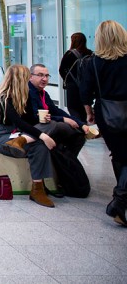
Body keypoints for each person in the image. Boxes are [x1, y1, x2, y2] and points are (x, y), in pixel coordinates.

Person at [79, 20, 127, 226]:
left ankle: (121, 201)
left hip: (106, 113)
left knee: (119, 154)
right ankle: (120, 199)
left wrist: (89, 112)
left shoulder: (92, 62)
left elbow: (85, 91)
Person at [0, 65, 56, 208]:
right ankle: (39, 187)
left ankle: (37, 188)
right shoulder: (4, 97)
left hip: (20, 134)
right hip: (1, 136)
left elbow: (29, 121)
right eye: (27, 77)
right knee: (41, 142)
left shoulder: (25, 96)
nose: (29, 79)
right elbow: (19, 122)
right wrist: (43, 136)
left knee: (47, 131)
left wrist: (42, 119)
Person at [28, 63, 89, 158]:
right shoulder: (28, 92)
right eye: (40, 75)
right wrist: (63, 119)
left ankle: (67, 162)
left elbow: (56, 111)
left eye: (47, 76)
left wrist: (80, 124)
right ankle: (66, 162)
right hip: (34, 128)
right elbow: (35, 116)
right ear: (30, 77)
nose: (44, 79)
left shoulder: (43, 93)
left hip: (46, 126)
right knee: (67, 129)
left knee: (79, 135)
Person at [59, 32, 92, 121]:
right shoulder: (90, 53)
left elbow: (61, 70)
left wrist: (68, 80)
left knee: (73, 108)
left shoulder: (69, 54)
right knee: (84, 108)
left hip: (72, 86)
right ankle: (85, 124)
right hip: (87, 86)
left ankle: (79, 125)